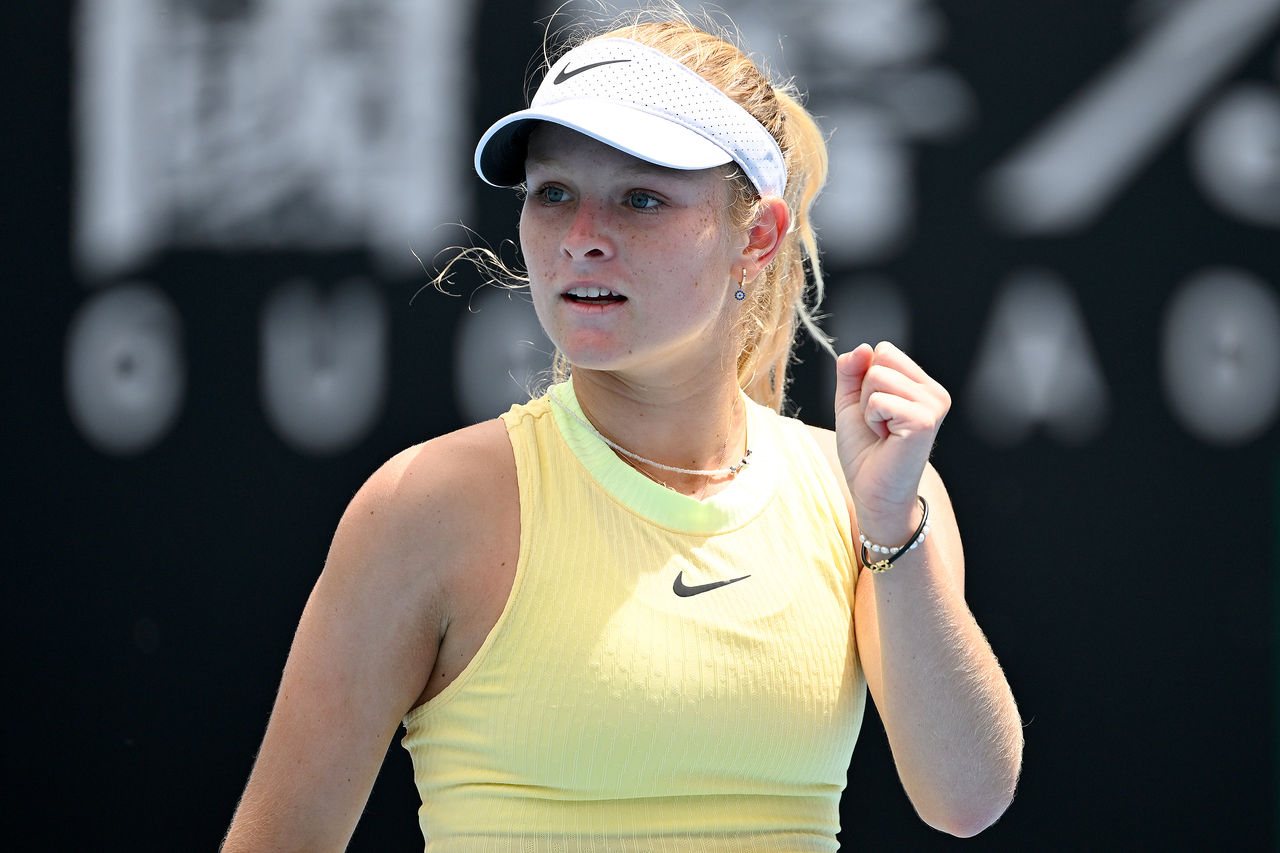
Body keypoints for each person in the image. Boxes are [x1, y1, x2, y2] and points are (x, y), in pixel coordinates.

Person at [222, 9, 1022, 851]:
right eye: (553, 193)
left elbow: (965, 798)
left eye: (640, 198)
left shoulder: (872, 503)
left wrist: (893, 527)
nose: (581, 240)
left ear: (757, 237)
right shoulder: (425, 506)